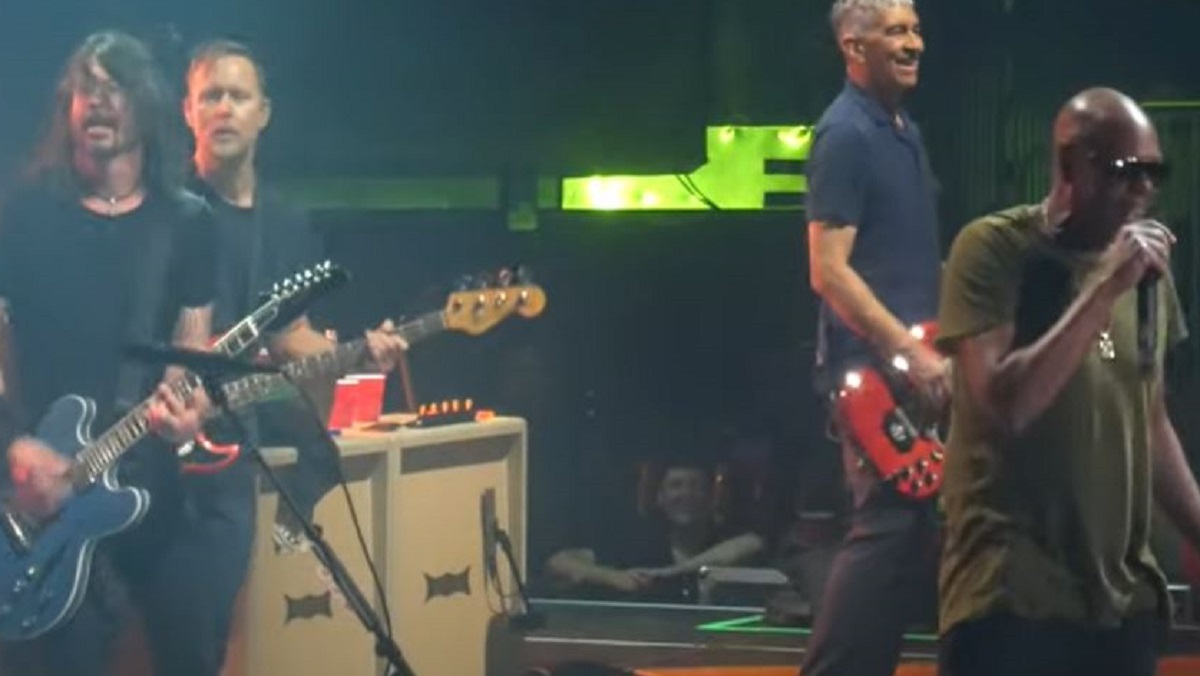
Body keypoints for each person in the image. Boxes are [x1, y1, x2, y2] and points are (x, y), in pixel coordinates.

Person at [935, 87, 1200, 676]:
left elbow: (1150, 420)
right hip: (1013, 600)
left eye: (1154, 174)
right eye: (1126, 174)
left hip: (1119, 604)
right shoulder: (994, 250)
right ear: (1072, 164)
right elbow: (1010, 407)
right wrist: (1104, 287)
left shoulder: (1149, 275)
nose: (1144, 192)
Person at [0, 31, 220, 676]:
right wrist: (12, 441)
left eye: (113, 86)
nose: (96, 101)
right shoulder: (25, 216)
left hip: (149, 481)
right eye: (84, 88)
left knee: (194, 647)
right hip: (40, 492)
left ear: (145, 103)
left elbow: (191, 345)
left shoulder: (187, 222)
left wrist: (188, 416)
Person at [182, 37, 408, 553]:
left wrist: (361, 352)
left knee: (322, 451)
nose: (222, 109)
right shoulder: (169, 212)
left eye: (237, 97)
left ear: (263, 114)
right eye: (209, 96)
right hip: (177, 423)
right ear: (187, 111)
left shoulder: (284, 222)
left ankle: (287, 541)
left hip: (246, 419)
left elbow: (292, 337)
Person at [800, 1, 946, 674]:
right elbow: (828, 270)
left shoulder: (902, 129)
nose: (913, 42)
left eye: (914, 28)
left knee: (909, 533)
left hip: (909, 361)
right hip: (872, 371)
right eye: (896, 31)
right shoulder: (846, 135)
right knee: (886, 527)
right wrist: (906, 351)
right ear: (854, 47)